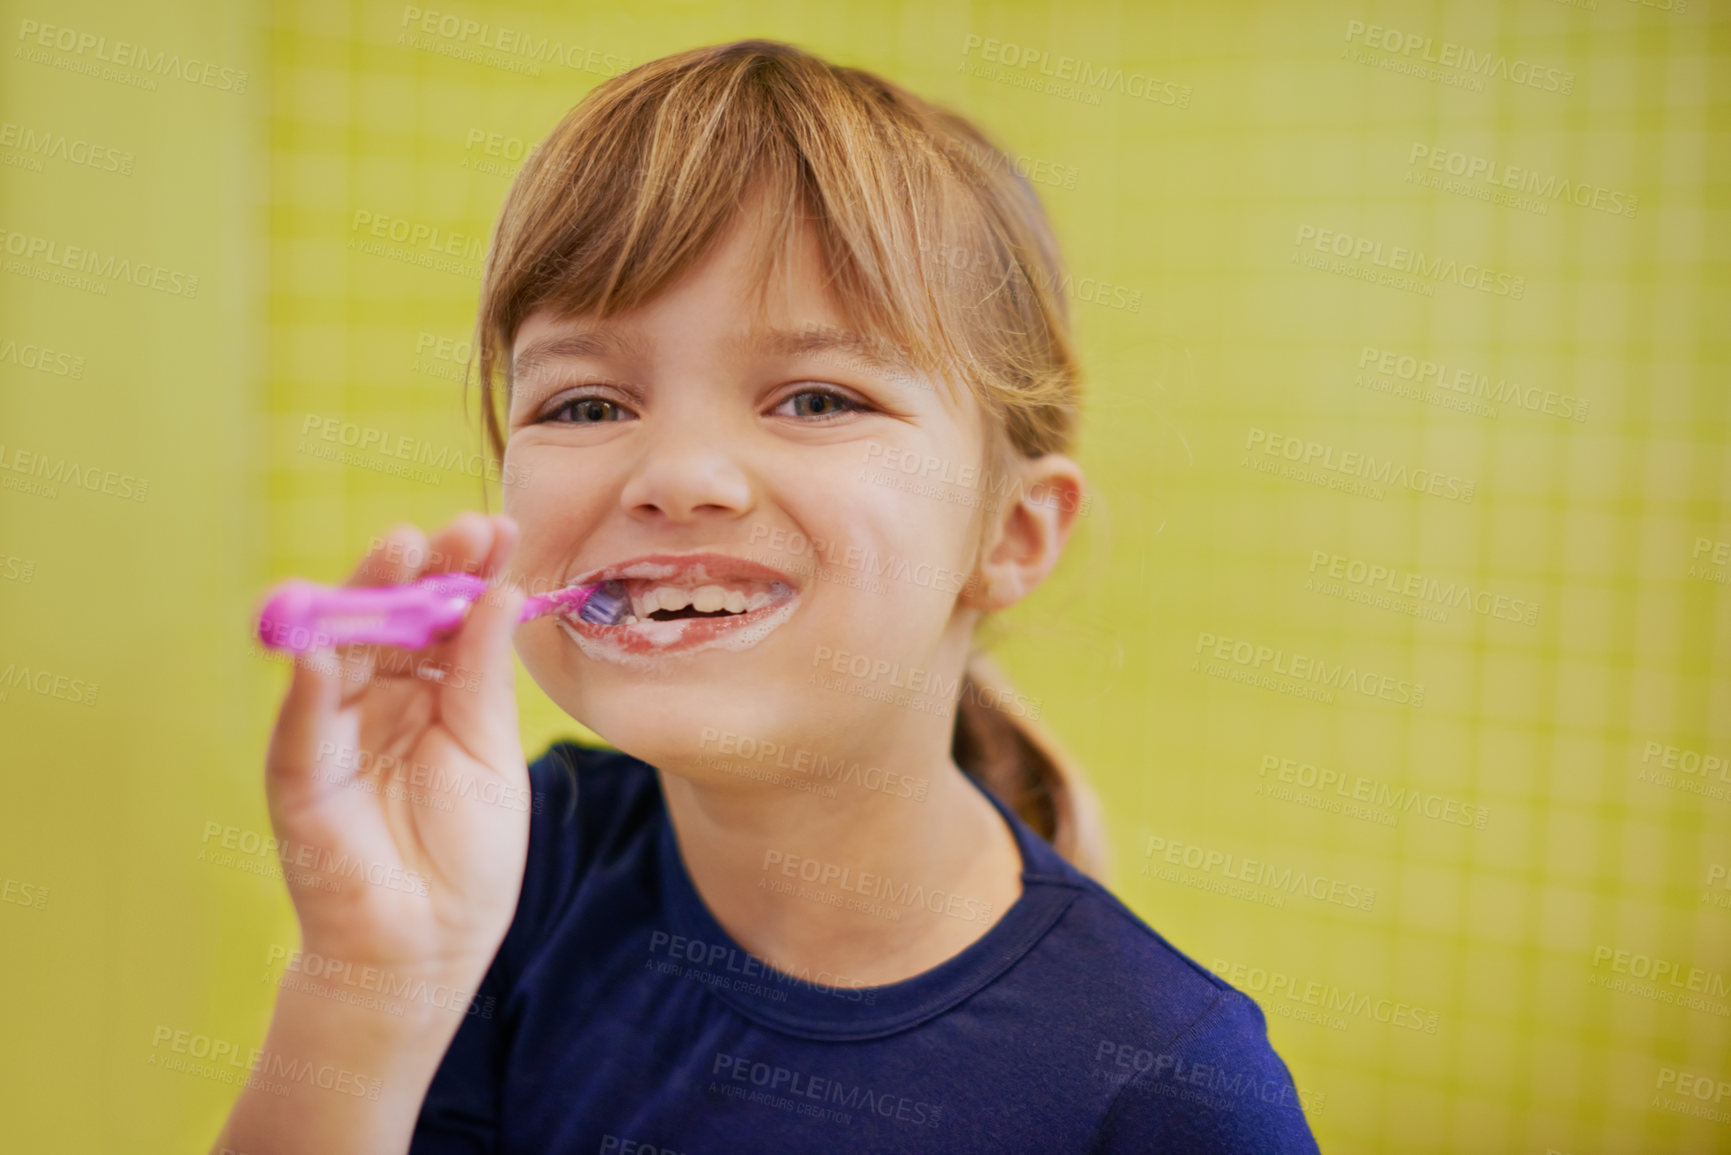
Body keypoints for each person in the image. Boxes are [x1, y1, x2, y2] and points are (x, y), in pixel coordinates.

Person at [211, 38, 1321, 1154]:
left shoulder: (1169, 1087)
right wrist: (366, 982)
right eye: (588, 406)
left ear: (1012, 534)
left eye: (817, 397)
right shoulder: (513, 874)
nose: (677, 476)